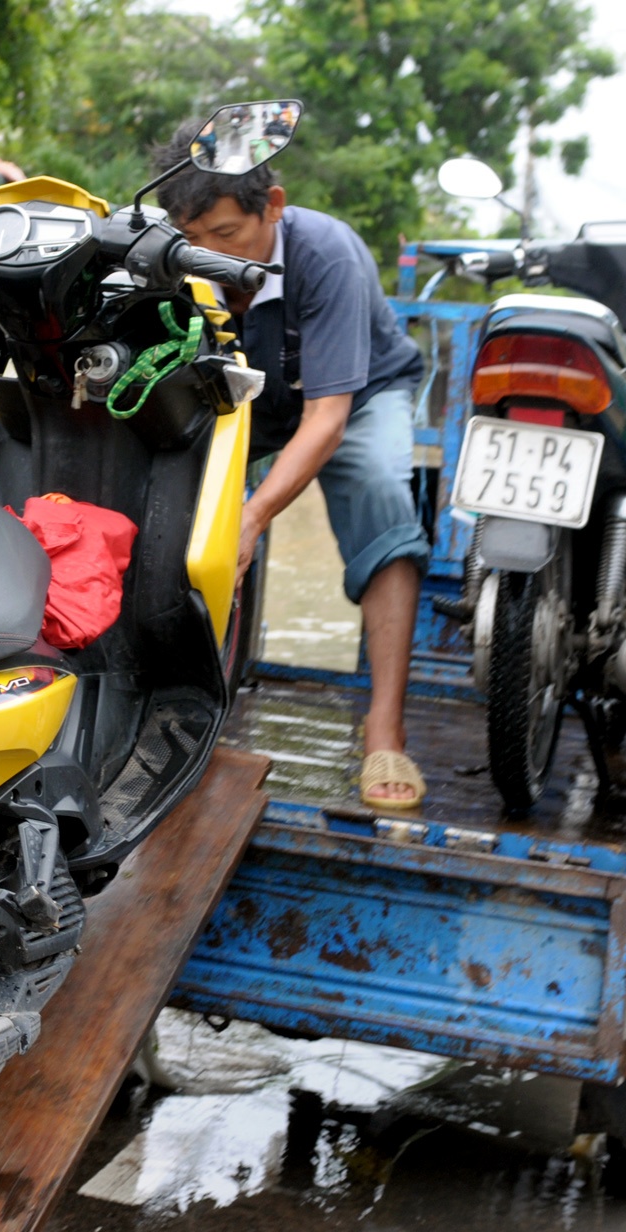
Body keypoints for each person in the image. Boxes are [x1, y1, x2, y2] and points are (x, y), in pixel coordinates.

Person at [156, 123, 431, 811]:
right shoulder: (171, 258)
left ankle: (385, 728)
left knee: (376, 486)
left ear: (272, 206)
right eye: (192, 237)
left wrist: (251, 517)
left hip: (357, 393)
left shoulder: (327, 255)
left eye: (226, 234)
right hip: (248, 394)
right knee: (161, 485)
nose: (208, 253)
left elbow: (328, 420)